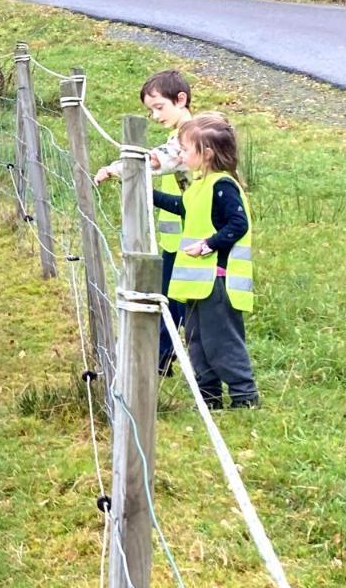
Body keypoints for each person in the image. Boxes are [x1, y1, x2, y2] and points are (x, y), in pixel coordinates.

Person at [154, 112, 258, 409]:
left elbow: (238, 224)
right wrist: (142, 190)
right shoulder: (199, 185)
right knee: (197, 343)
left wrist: (208, 245)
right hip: (197, 285)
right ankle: (209, 396)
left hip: (218, 282)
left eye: (185, 149)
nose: (181, 154)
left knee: (222, 341)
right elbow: (179, 205)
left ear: (207, 153)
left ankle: (244, 396)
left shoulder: (223, 186)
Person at [95, 70, 193, 375]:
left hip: (199, 229)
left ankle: (162, 357)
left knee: (174, 296)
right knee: (173, 294)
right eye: (150, 110)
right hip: (188, 229)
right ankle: (163, 356)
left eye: (159, 107)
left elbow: (152, 161)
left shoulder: (188, 137)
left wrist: (113, 169)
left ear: (181, 99)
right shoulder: (186, 133)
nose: (154, 115)